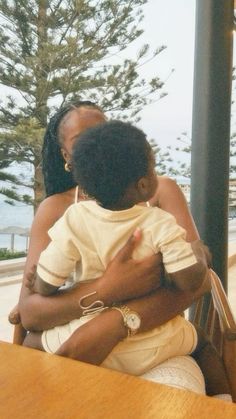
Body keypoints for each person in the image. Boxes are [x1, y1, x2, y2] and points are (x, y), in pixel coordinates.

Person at [18, 101, 229, 397]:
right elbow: (30, 313)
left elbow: (195, 286)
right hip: (85, 344)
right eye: (84, 141)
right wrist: (108, 288)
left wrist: (116, 322)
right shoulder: (57, 209)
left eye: (105, 131)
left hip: (154, 344)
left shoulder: (161, 192)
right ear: (66, 156)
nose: (100, 146)